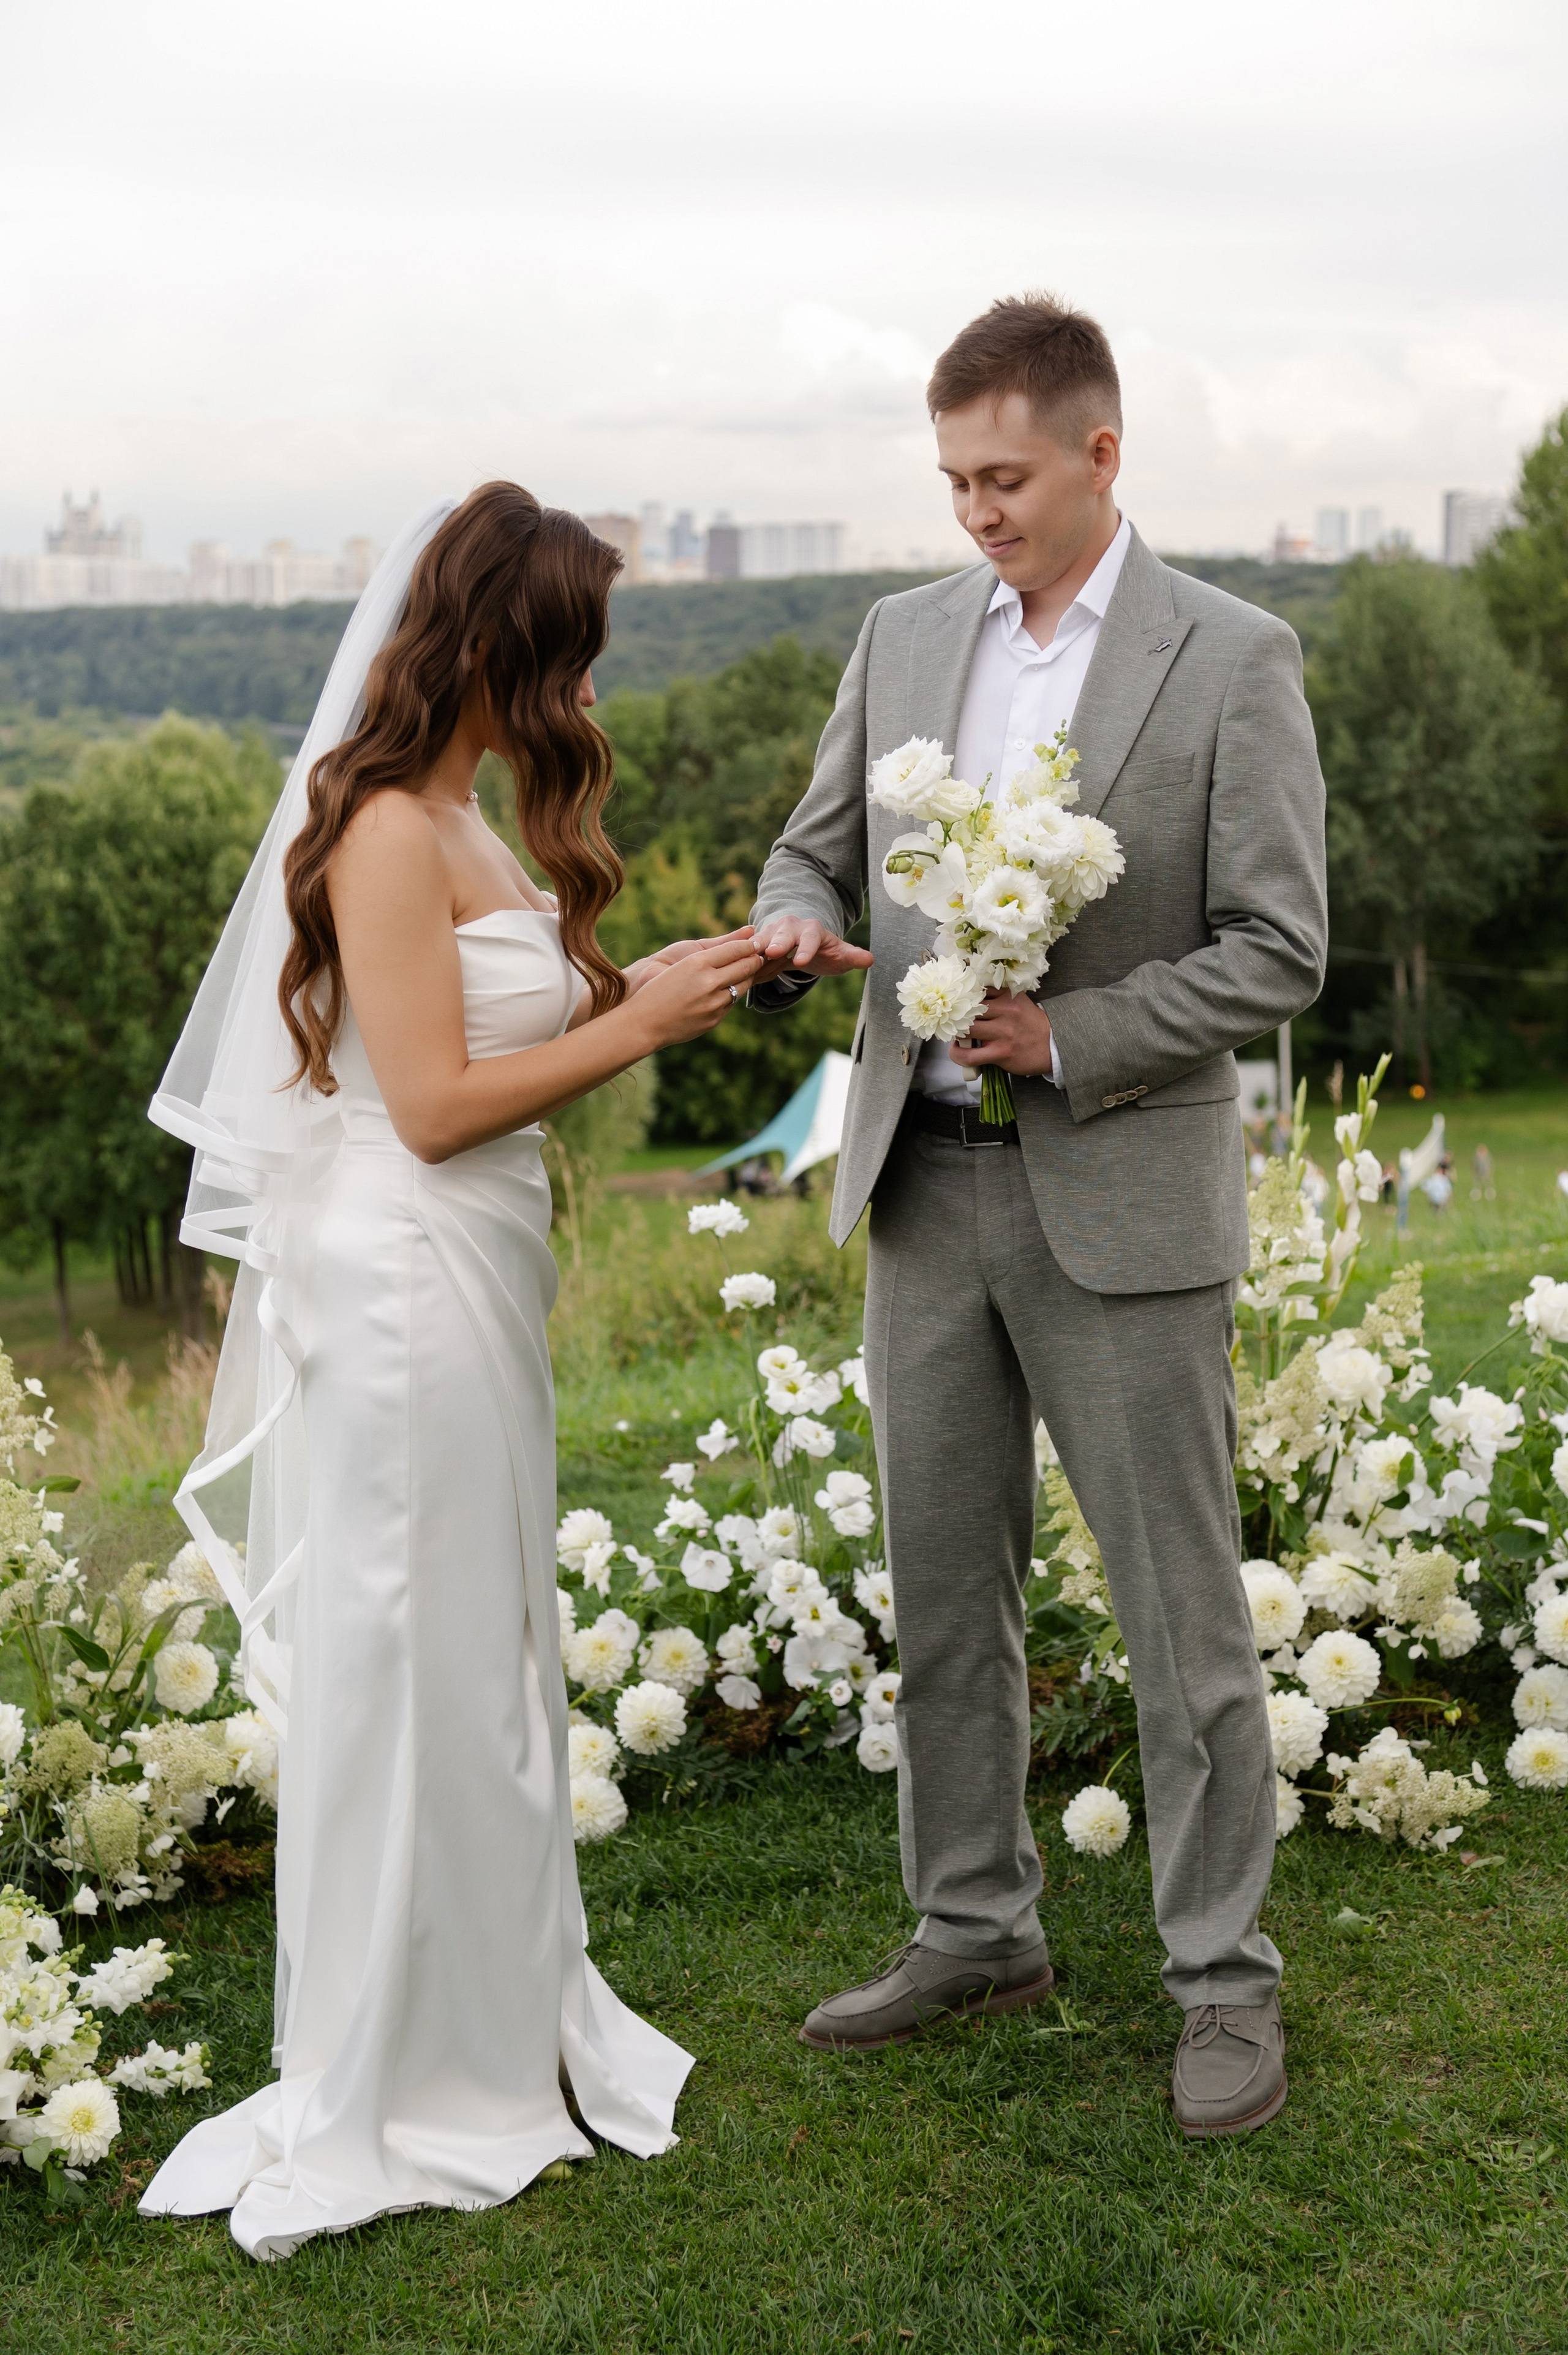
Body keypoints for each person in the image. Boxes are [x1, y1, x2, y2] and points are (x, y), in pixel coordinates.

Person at [140, 485, 761, 2257]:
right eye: (570, 646)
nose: (586, 682)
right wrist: (627, 1024)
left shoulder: (468, 820)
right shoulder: (389, 834)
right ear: (500, 639)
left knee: (485, 1646)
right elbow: (422, 1109)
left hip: (470, 1274)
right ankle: (405, 2063)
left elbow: (504, 1024)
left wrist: (668, 982)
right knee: (416, 1651)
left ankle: (496, 2017)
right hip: (402, 1283)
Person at [750, 294, 1327, 2136]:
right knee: (944, 1597)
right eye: (951, 481)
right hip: (919, 1186)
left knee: (1181, 1619)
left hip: (1126, 1200)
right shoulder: (902, 633)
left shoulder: (1234, 657)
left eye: (1002, 476)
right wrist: (783, 918)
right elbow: (816, 841)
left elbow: (1280, 947)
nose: (973, 513)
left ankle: (1225, 1984)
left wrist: (1072, 1033)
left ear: (1100, 451)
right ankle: (975, 1922)